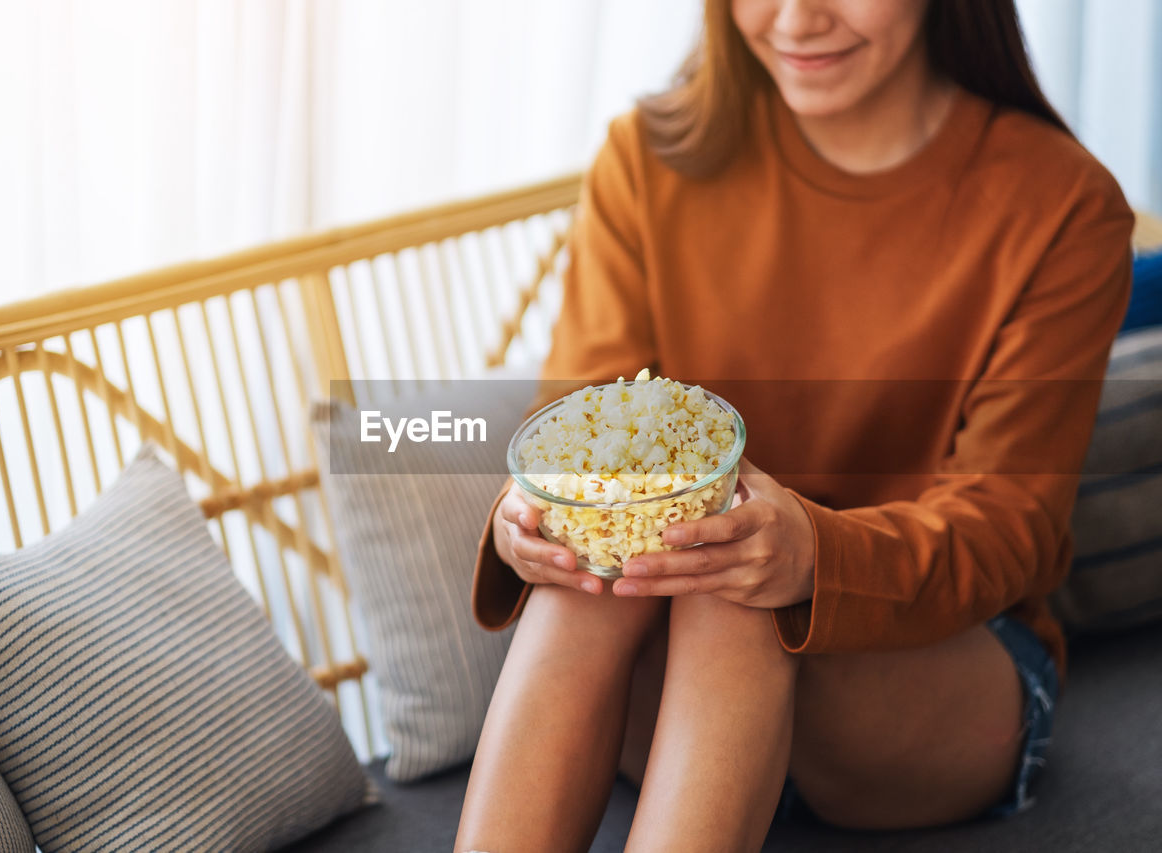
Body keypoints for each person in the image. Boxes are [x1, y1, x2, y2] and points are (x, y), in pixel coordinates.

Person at [455, 0, 1135, 850]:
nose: (795, 18)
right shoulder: (647, 158)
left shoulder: (1063, 204)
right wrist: (536, 519)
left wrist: (810, 551)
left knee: (734, 580)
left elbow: (1010, 527)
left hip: (927, 683)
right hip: (674, 693)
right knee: (606, 569)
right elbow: (581, 432)